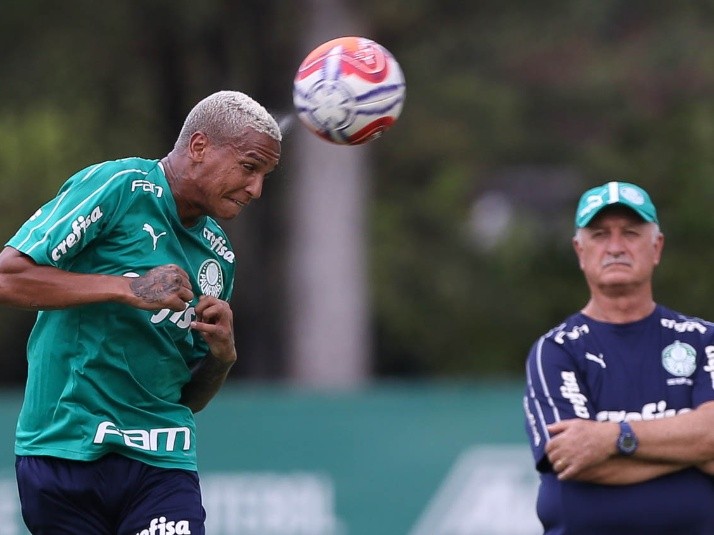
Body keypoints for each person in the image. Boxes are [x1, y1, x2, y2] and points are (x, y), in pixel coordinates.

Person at [0, 90, 282, 534]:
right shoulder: (119, 187)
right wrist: (126, 288)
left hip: (160, 460)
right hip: (61, 449)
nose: (256, 189)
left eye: (265, 175)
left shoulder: (219, 258)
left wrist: (222, 357)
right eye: (249, 168)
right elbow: (8, 278)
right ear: (199, 146)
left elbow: (186, 397)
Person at [523, 181, 714, 534]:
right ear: (580, 252)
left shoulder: (703, 339)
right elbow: (574, 460)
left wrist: (611, 439)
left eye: (630, 233)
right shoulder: (556, 350)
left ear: (656, 247)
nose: (615, 247)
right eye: (599, 235)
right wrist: (693, 449)